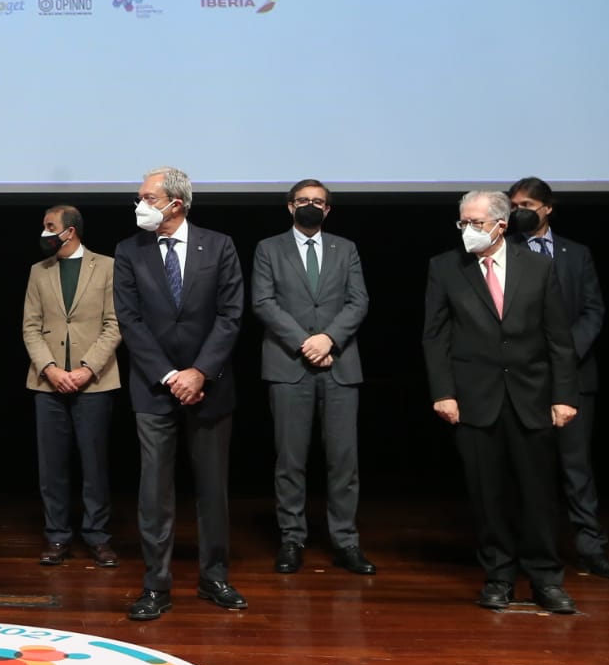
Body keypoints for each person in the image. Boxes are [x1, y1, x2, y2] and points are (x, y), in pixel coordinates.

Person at [422, 190, 579, 614]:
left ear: (500, 225)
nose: (468, 231)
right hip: (474, 398)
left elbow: (559, 339)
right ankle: (498, 578)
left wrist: (564, 396)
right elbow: (435, 335)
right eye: (463, 223)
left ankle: (546, 579)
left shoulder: (539, 267)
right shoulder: (445, 267)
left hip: (532, 396)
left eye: (476, 223)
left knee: (538, 493)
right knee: (488, 494)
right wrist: (443, 392)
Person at [112, 167, 245, 621]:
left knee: (212, 488)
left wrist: (200, 372)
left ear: (176, 204)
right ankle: (156, 584)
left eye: (148, 197)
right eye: (140, 197)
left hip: (210, 387)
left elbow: (230, 315)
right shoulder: (129, 251)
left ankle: (215, 577)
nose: (140, 204)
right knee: (154, 491)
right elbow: (130, 321)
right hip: (154, 388)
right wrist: (171, 375)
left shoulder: (220, 245)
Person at [251, 178, 375, 577]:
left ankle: (346, 542)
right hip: (290, 365)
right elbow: (263, 302)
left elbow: (359, 301)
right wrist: (306, 342)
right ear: (290, 206)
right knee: (290, 460)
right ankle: (292, 539)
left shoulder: (346, 248)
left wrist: (329, 339)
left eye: (317, 202)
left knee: (344, 461)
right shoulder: (269, 248)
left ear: (328, 210)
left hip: (340, 365)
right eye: (303, 200)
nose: (310, 206)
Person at [507, 177, 609, 581]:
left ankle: (591, 547)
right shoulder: (505, 251)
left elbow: (593, 309)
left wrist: (566, 353)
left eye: (526, 204)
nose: (518, 210)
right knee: (526, 467)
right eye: (513, 204)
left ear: (547, 208)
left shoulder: (577, 253)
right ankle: (531, 547)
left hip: (574, 374)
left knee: (577, 467)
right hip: (523, 375)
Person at [21, 204, 122, 568]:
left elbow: (114, 324)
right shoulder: (38, 271)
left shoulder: (107, 266)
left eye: (50, 227)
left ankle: (97, 535)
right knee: (52, 467)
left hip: (94, 383)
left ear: (70, 231)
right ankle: (57, 535)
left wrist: (85, 369)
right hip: (47, 385)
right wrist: (50, 368)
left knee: (94, 464)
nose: (44, 233)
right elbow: (30, 326)